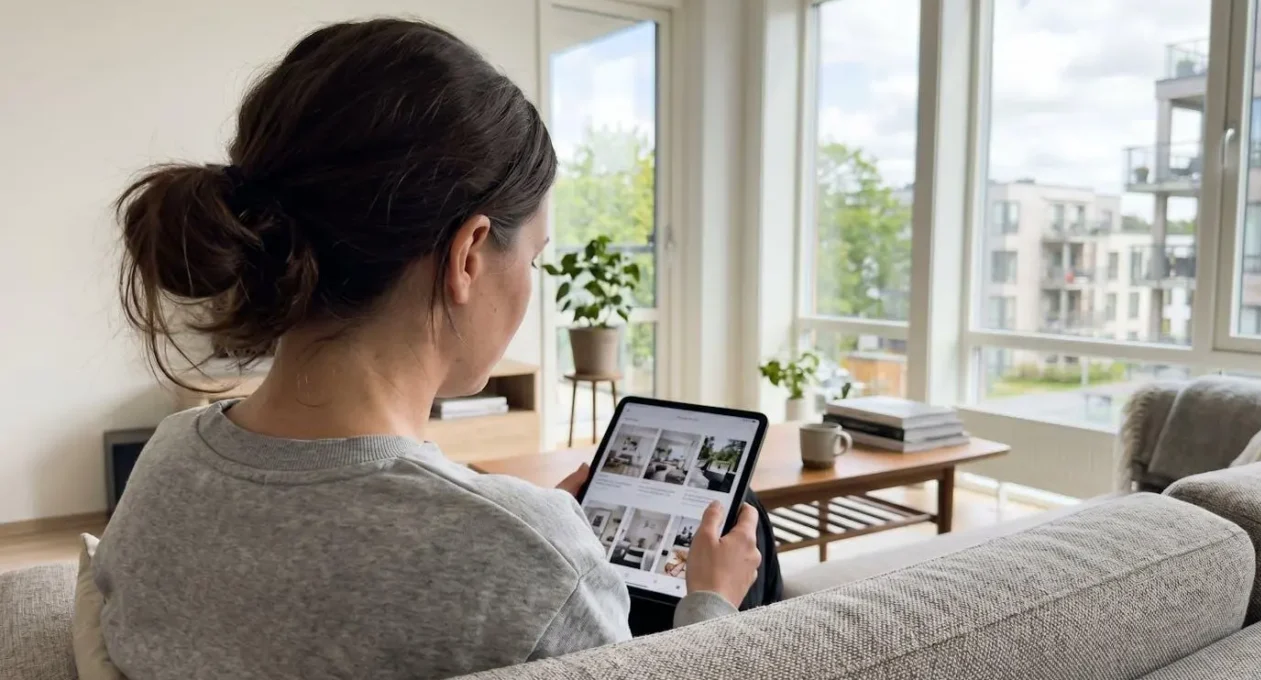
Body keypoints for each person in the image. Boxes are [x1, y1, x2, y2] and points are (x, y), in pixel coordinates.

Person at [94, 18, 777, 680]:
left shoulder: (167, 459)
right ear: (470, 254)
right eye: (534, 259)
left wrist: (517, 524)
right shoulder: (526, 554)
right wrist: (711, 605)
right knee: (755, 541)